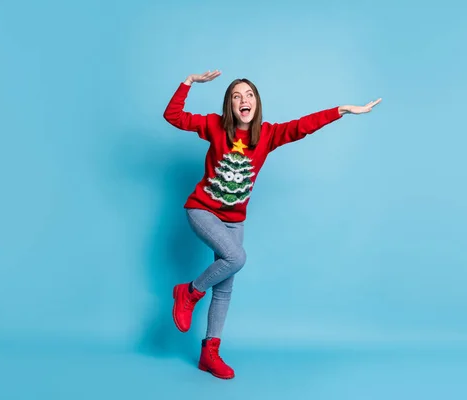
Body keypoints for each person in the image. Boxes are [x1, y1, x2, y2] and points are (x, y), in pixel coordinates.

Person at [163, 70, 381, 379]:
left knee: (226, 286)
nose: (243, 100)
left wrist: (342, 110)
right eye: (236, 96)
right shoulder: (214, 125)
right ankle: (189, 293)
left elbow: (302, 127)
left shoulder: (267, 135)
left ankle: (209, 354)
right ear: (229, 105)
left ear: (256, 103)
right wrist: (188, 82)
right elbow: (173, 116)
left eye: (249, 95)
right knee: (236, 258)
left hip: (235, 220)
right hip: (202, 210)